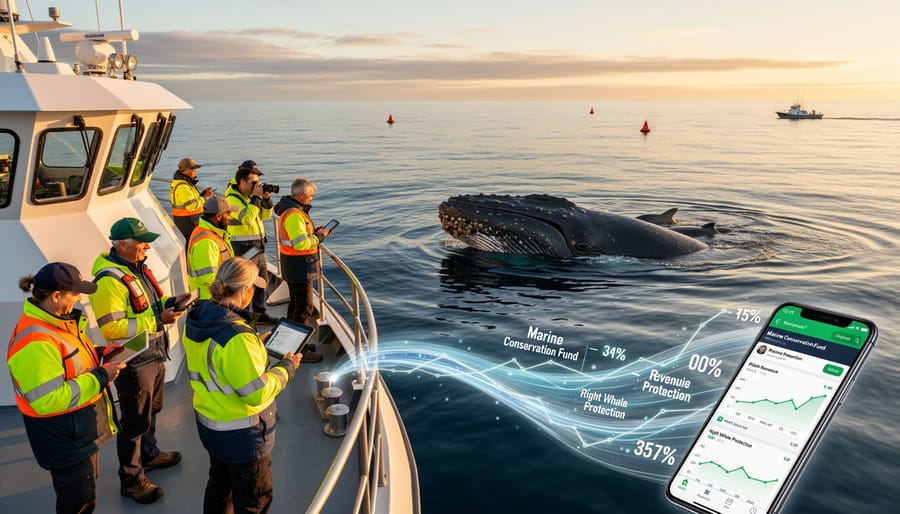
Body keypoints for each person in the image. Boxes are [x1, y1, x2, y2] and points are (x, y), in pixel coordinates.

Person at [183, 257, 302, 514]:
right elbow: (255, 393)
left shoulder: (199, 318)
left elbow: (216, 362)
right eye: (254, 288)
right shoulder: (237, 338)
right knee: (253, 502)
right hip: (242, 436)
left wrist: (255, 343)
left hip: (211, 425)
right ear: (245, 290)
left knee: (219, 488)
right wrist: (287, 368)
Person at [7, 262, 125, 513]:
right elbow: (48, 399)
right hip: (64, 439)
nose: (79, 298)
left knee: (85, 495)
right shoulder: (35, 341)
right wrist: (101, 377)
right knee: (78, 504)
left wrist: (100, 354)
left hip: (77, 431)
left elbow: (69, 362)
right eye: (75, 293)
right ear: (56, 295)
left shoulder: (57, 323)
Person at [90, 217, 191, 504]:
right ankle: (132, 480)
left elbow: (148, 305)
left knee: (151, 410)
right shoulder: (109, 281)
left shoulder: (137, 269)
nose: (147, 246)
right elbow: (112, 328)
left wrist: (171, 302)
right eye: (142, 242)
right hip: (135, 362)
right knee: (134, 421)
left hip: (153, 354)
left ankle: (149, 454)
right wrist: (159, 320)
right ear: (122, 244)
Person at [225, 160, 275, 323]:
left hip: (257, 247)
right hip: (243, 249)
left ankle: (260, 314)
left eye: (257, 183)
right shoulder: (231, 199)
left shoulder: (250, 197)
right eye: (253, 183)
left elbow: (265, 216)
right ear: (242, 182)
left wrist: (265, 199)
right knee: (245, 284)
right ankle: (244, 317)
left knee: (262, 281)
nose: (256, 186)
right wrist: (256, 197)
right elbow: (247, 219)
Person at [188, 196, 237, 300]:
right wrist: (236, 282)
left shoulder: (209, 233)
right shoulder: (206, 242)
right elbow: (209, 279)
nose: (230, 218)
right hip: (210, 299)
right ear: (218, 216)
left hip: (215, 297)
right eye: (228, 214)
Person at [170, 157, 215, 241]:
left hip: (189, 221)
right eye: (194, 169)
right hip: (188, 223)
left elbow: (191, 200)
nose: (195, 171)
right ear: (187, 170)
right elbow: (191, 206)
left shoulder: (184, 183)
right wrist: (205, 197)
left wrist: (203, 195)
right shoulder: (183, 186)